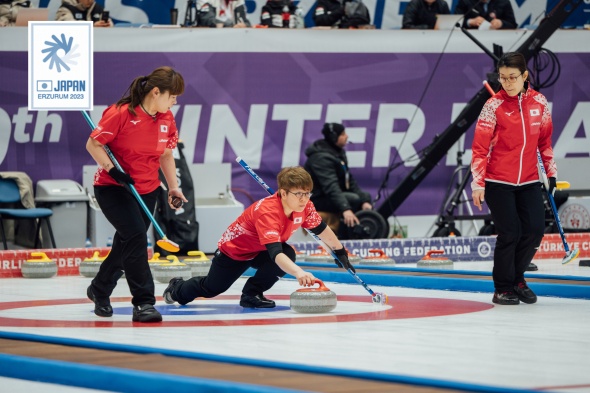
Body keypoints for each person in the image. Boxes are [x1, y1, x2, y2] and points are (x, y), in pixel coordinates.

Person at [162, 166, 355, 309]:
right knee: (212, 288)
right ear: (283, 193)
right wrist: (299, 273)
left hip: (260, 250)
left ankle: (251, 294)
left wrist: (339, 251)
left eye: (307, 193)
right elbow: (275, 254)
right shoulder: (267, 212)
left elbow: (322, 229)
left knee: (289, 252)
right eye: (298, 194)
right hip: (235, 252)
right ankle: (177, 288)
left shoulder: (305, 206)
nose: (304, 199)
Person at [86, 66, 187, 322]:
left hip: (148, 189)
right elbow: (94, 143)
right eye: (172, 96)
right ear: (156, 92)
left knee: (127, 243)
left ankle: (99, 289)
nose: (175, 101)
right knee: (136, 240)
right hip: (114, 188)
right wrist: (112, 169)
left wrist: (173, 187)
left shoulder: (167, 119)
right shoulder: (120, 113)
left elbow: (165, 154)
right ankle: (143, 303)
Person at [471, 52, 557, 305]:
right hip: (498, 181)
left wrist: (551, 172)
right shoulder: (492, 106)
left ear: (525, 76)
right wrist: (478, 183)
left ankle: (517, 279)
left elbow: (544, 142)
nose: (507, 83)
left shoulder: (540, 102)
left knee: (534, 230)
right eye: (503, 78)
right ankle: (502, 287)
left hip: (529, 179)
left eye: (512, 78)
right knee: (510, 233)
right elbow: (479, 149)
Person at [304, 123, 372, 237]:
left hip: (329, 197)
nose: (347, 136)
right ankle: (343, 236)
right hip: (316, 199)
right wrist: (345, 208)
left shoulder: (337, 153)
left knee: (364, 197)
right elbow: (331, 187)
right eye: (343, 134)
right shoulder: (320, 158)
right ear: (334, 137)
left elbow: (349, 180)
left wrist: (364, 200)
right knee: (353, 199)